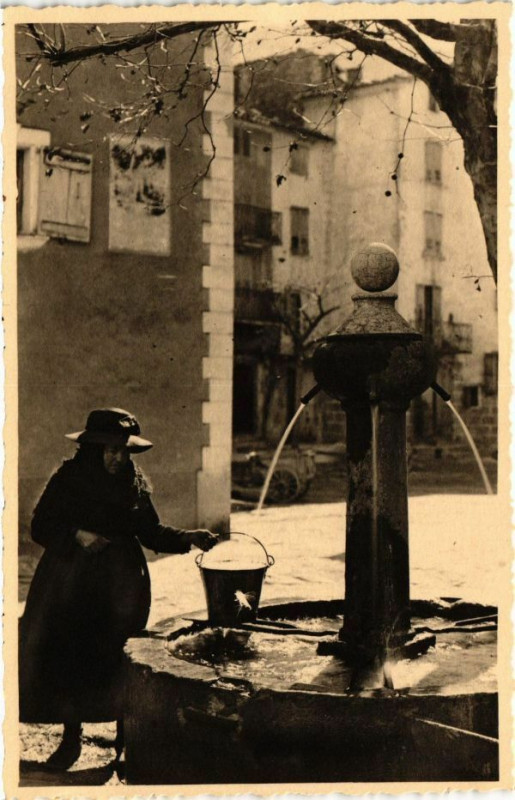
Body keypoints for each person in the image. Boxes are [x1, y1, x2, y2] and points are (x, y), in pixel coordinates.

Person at [19, 408, 219, 770]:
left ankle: (125, 742)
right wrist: (78, 535)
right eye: (110, 450)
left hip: (122, 587)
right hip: (72, 584)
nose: (118, 457)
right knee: (73, 656)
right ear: (93, 449)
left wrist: (189, 537)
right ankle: (71, 740)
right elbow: (40, 525)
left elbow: (151, 532)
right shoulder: (69, 478)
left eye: (124, 450)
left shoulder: (134, 482)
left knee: (120, 656)